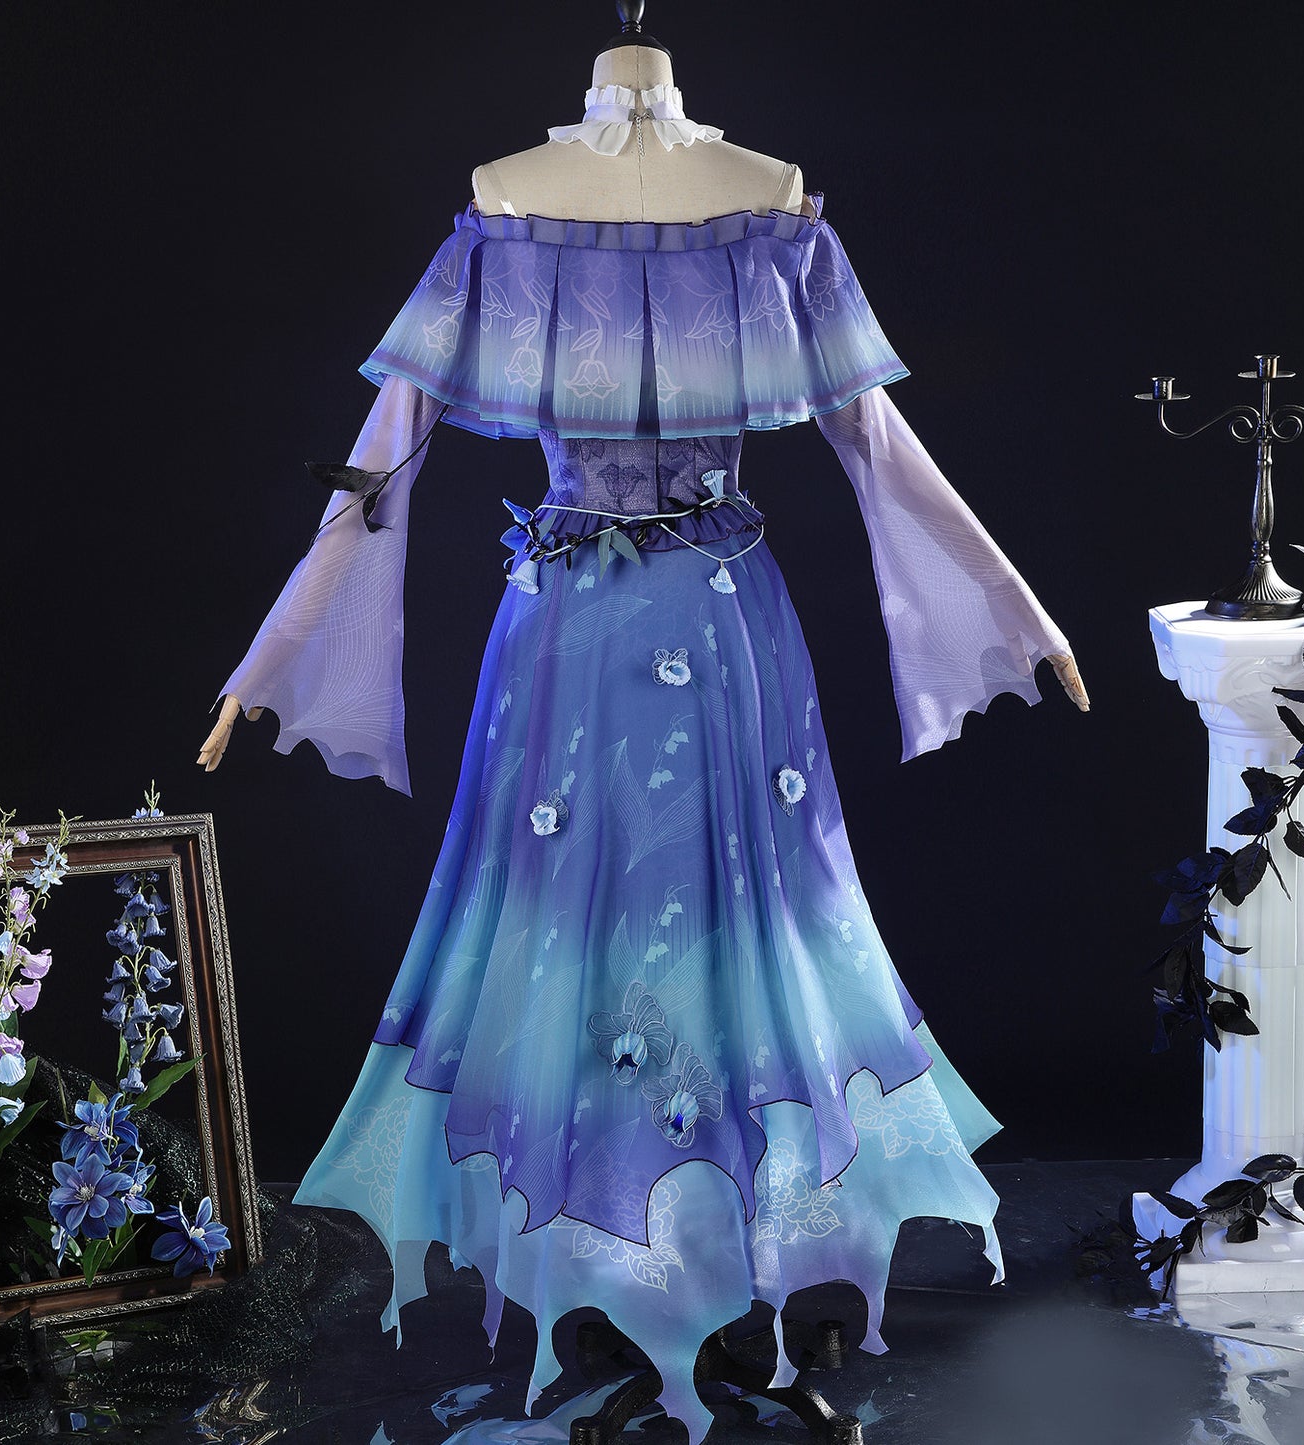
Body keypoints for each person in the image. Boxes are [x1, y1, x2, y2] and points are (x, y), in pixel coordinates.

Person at [199, 22, 1086, 1443]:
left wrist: (1013, 610)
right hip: (576, 643)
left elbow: (877, 445)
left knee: (743, 927)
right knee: (579, 935)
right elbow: (378, 468)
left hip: (706, 637)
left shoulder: (773, 206)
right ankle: (623, 1269)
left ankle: (727, 1270)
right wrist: (272, 660)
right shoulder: (503, 204)